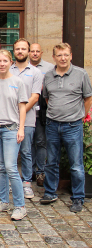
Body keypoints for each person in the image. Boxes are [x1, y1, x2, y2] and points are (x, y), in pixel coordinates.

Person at [40, 43, 92, 213]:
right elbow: (47, 98)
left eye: (66, 55)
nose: (63, 58)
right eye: (59, 55)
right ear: (54, 57)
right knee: (51, 161)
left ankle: (78, 197)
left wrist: (80, 117)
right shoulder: (48, 75)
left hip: (73, 125)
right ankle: (50, 192)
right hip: (52, 124)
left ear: (71, 56)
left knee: (76, 164)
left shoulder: (81, 74)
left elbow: (87, 98)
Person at [0, 49, 28, 221]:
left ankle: (20, 206)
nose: (1, 64)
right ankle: (3, 201)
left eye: (4, 61)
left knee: (11, 167)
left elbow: (22, 107)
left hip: (11, 129)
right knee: (0, 167)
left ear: (11, 62)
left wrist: (21, 128)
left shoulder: (18, 82)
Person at [10, 39, 42, 199]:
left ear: (28, 51)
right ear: (13, 51)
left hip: (27, 119)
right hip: (8, 119)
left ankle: (27, 183)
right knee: (10, 152)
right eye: (17, 49)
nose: (20, 51)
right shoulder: (8, 70)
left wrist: (19, 112)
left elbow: (35, 97)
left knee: (26, 151)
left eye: (23, 49)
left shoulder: (35, 72)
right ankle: (12, 182)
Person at [28, 43, 55, 186]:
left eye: (37, 51)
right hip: (27, 110)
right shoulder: (23, 67)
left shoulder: (49, 68)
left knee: (41, 142)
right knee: (29, 143)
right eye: (32, 51)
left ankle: (40, 171)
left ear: (42, 52)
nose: (35, 54)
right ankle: (30, 171)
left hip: (42, 111)